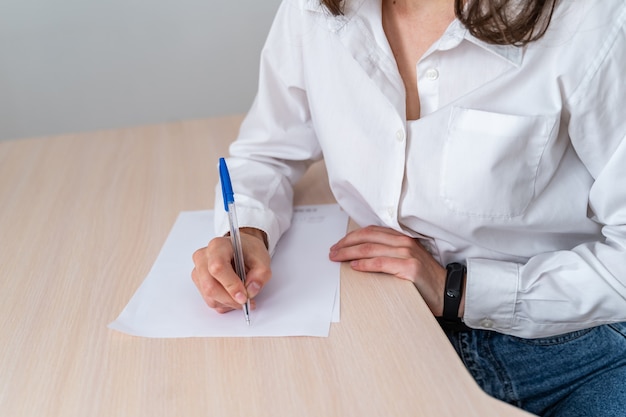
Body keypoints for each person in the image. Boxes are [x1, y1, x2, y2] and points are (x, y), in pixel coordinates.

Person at [191, 0, 626, 415]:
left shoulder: (592, 21)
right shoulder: (315, 10)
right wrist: (246, 230)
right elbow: (268, 151)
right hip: (397, 325)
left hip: (582, 346)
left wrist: (457, 291)